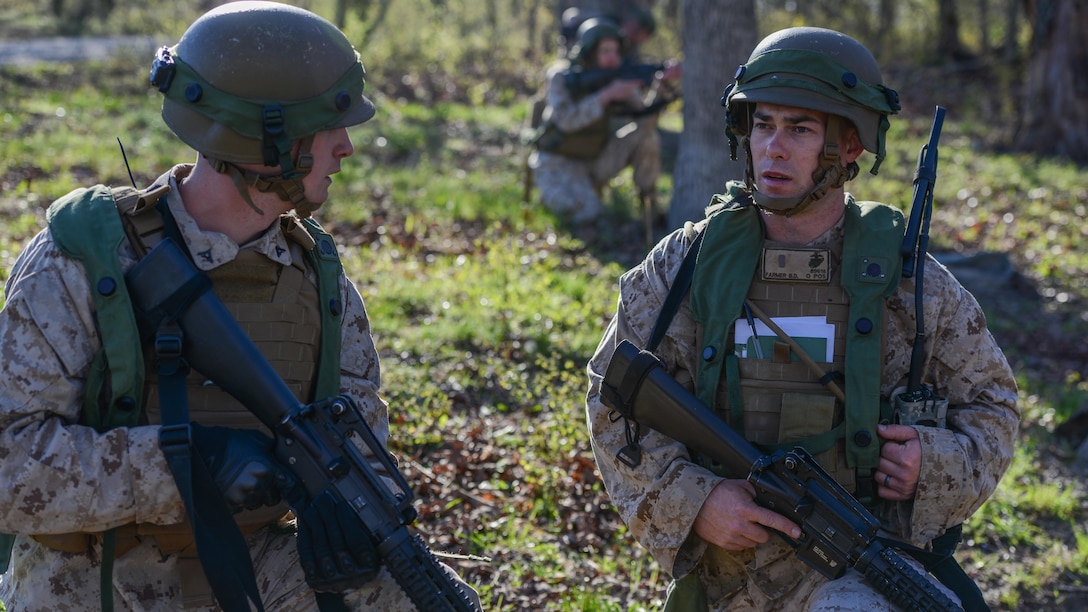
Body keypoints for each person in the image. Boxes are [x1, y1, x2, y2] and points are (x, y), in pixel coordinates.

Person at [0, 2, 478, 610]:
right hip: (94, 575)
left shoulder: (317, 280)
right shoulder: (88, 262)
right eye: (329, 127)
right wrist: (186, 465)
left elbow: (361, 446)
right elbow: (8, 465)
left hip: (252, 564)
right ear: (268, 139)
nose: (347, 148)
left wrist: (343, 517)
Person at [584, 27, 1019, 610]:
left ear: (849, 148)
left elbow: (993, 408)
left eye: (801, 129)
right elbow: (613, 393)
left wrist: (930, 463)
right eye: (763, 124)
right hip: (726, 581)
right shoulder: (685, 267)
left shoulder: (908, 283)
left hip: (861, 571)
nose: (774, 148)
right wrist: (698, 501)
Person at [529, 16, 680, 226]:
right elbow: (565, 120)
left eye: (616, 52)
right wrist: (605, 96)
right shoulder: (562, 76)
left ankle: (649, 210)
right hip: (558, 164)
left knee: (647, 138)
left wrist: (660, 87)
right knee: (588, 217)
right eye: (606, 51)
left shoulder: (617, 78)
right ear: (589, 51)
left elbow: (645, 123)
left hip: (596, 161)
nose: (613, 58)